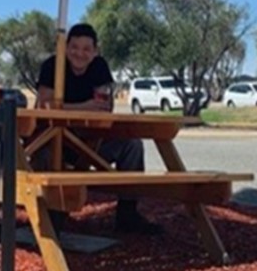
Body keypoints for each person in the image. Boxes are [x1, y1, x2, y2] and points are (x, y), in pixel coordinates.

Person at [36, 23, 162, 235]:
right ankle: (53, 212)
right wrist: (83, 107)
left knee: (132, 145)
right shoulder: (52, 66)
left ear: (95, 51)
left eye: (86, 49)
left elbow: (105, 106)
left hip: (90, 142)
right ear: (66, 48)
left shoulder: (99, 66)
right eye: (74, 47)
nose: (79, 53)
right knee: (43, 150)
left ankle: (127, 214)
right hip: (56, 139)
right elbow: (43, 105)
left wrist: (74, 109)